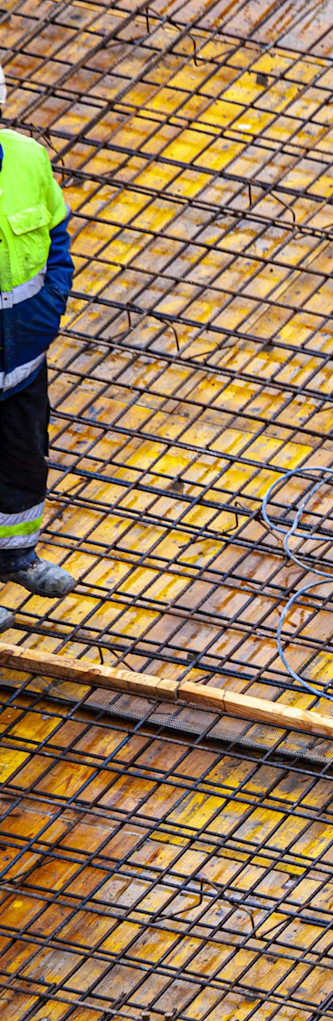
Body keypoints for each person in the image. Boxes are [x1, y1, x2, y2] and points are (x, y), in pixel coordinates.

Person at [0, 66, 78, 631]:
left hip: (22, 361)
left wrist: (47, 311)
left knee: (23, 462)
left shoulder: (26, 158)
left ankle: (14, 556)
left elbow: (55, 237)